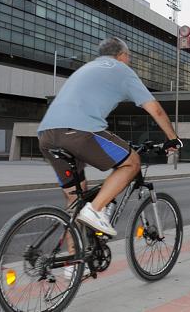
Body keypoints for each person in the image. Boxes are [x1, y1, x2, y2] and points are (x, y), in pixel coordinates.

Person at [38, 36, 182, 237]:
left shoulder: (86, 68)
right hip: (79, 131)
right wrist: (172, 138)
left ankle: (74, 265)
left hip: (47, 134)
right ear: (122, 55)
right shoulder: (121, 69)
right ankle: (95, 210)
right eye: (129, 57)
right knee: (131, 162)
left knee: (74, 202)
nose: (129, 61)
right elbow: (155, 109)